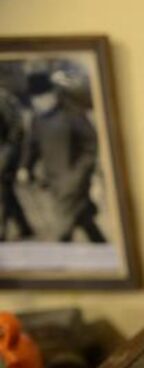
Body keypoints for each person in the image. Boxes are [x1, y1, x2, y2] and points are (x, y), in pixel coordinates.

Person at [23, 71, 106, 243]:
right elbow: (32, 146)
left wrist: (80, 172)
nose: (39, 103)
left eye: (42, 98)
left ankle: (61, 262)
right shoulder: (37, 119)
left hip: (75, 179)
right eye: (35, 100)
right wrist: (25, 167)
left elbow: (91, 146)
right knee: (84, 220)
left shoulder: (73, 114)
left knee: (62, 229)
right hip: (53, 180)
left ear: (52, 94)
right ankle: (105, 250)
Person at [0, 87, 34, 240]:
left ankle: (1, 231)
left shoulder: (3, 98)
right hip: (6, 151)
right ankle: (25, 227)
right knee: (7, 193)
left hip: (5, 153)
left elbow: (15, 130)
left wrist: (6, 157)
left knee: (2, 192)